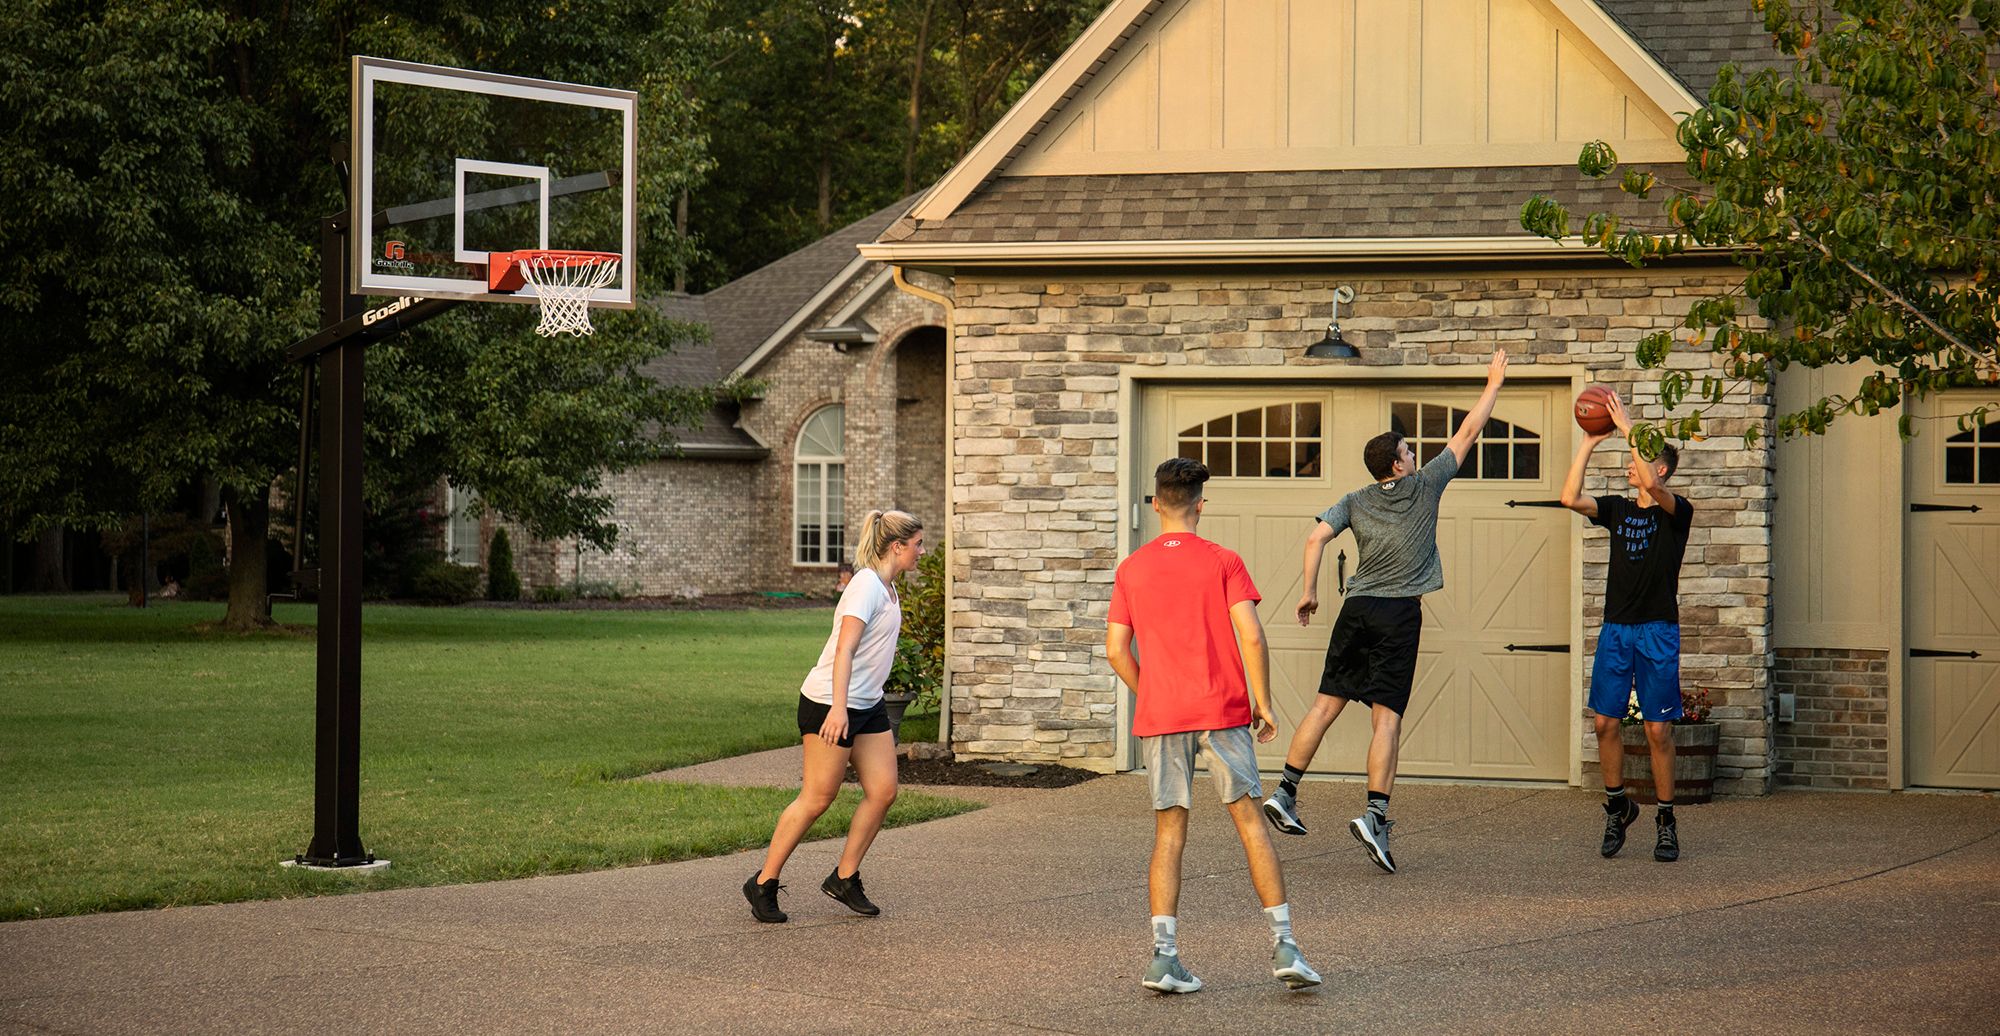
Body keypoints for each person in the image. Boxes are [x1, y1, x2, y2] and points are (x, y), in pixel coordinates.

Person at [1263, 349, 1510, 874]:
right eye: (1408, 449)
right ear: (1398, 464)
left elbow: (1314, 539)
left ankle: (1285, 793)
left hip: (1356, 609)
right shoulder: (1425, 486)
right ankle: (1375, 816)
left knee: (1325, 704)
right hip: (1398, 614)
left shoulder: (1355, 499)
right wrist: (1493, 384)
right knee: (1387, 720)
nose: (1415, 452)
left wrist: (1308, 592)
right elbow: (1467, 432)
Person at [1107, 458, 1321, 995]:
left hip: (1163, 718)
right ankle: (1286, 947)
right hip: (1222, 712)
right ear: (1201, 504)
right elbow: (1251, 635)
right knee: (1251, 825)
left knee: (1169, 832)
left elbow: (1115, 650)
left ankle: (1163, 959)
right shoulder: (1224, 560)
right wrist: (1264, 702)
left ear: (1155, 504)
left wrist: (1153, 691)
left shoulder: (1131, 568)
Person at [744, 510, 926, 923]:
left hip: (866, 703)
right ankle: (762, 883)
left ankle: (844, 877)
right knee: (818, 798)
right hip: (831, 703)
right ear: (897, 546)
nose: (921, 551)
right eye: (917, 544)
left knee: (883, 792)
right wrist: (840, 708)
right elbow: (843, 649)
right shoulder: (865, 586)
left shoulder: (888, 587)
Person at [1558, 390, 1692, 863]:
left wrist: (1629, 426)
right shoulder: (1617, 508)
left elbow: (1655, 493)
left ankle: (1666, 820)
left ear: (1663, 470)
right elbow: (1568, 497)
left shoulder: (1678, 512)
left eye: (1640, 460)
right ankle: (1617, 807)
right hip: (1617, 628)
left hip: (1657, 630)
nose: (1631, 466)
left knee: (1658, 732)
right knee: (1604, 723)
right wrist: (1591, 441)